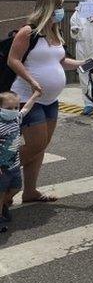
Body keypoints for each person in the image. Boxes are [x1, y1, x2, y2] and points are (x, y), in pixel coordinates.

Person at [8, 0, 86, 203]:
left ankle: (30, 191)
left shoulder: (54, 33)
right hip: (28, 97)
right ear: (48, 9)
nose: (61, 12)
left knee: (41, 146)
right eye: (58, 8)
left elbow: (61, 61)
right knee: (34, 144)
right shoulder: (28, 32)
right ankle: (5, 178)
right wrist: (31, 80)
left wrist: (83, 63)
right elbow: (13, 60)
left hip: (50, 100)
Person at [0, 90, 39, 228]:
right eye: (8, 108)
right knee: (1, 191)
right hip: (2, 167)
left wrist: (35, 95)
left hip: (14, 165)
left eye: (15, 107)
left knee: (16, 187)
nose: (13, 111)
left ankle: (4, 204)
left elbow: (26, 108)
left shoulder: (17, 118)